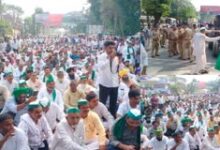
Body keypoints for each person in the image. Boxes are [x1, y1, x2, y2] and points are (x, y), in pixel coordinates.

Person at [97, 41, 119, 117]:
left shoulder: (116, 57)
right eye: (110, 48)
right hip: (104, 83)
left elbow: (115, 70)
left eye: (113, 48)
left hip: (114, 83)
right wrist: (109, 58)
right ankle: (101, 118)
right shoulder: (101, 57)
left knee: (113, 103)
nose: (112, 50)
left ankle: (113, 118)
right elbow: (101, 67)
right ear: (105, 48)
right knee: (102, 103)